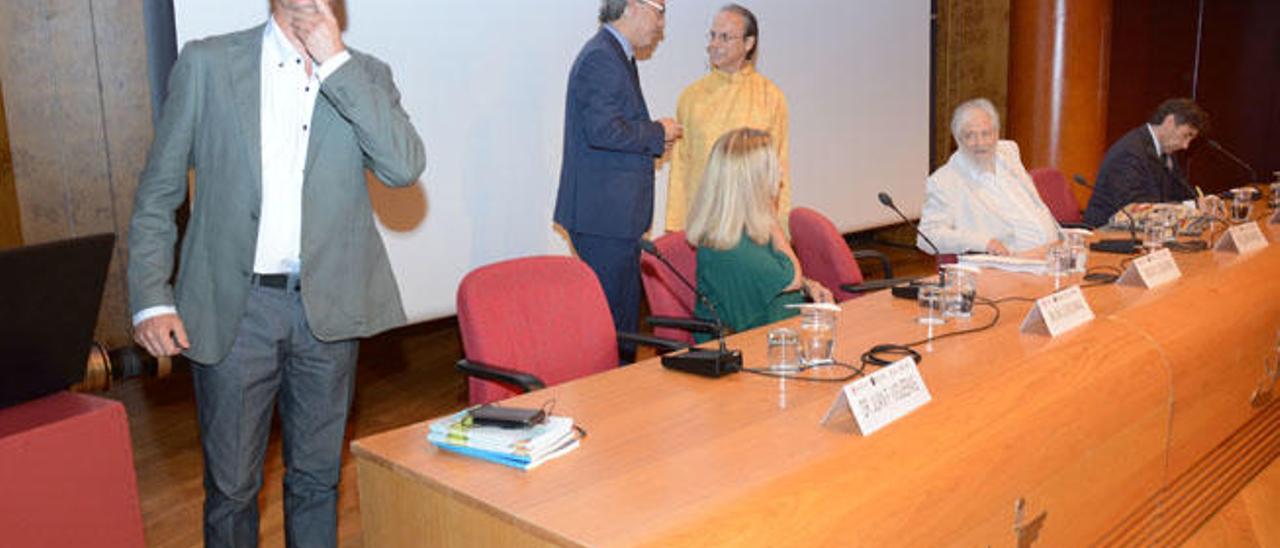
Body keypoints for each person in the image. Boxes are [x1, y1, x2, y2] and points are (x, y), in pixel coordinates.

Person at [127, 0, 426, 545]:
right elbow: (158, 194)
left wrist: (334, 61)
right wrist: (152, 296)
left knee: (317, 480)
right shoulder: (207, 64)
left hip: (327, 310)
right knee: (233, 489)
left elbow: (404, 166)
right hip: (237, 311)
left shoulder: (365, 74)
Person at [553, 0, 682, 361]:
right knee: (613, 330)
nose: (662, 24)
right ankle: (610, 405)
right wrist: (658, 132)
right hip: (604, 219)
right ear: (632, 7)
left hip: (611, 218)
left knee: (621, 326)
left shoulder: (614, 54)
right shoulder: (602, 58)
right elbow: (603, 130)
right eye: (660, 10)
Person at [685, 128, 831, 338]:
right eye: (773, 166)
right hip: (750, 351)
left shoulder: (744, 227)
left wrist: (810, 286)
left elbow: (777, 274)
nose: (780, 172)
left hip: (776, 336)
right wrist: (769, 210)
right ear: (752, 181)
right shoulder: (729, 247)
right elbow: (791, 278)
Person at [665, 3, 789, 232]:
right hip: (703, 226)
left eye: (724, 37)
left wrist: (780, 230)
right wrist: (675, 226)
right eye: (712, 35)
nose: (714, 44)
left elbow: (779, 168)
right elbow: (681, 167)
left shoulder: (770, 97)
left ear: (749, 43)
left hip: (752, 227)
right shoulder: (691, 97)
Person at [918, 98, 1060, 256]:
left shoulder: (1009, 153)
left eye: (986, 133)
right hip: (1012, 264)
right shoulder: (944, 181)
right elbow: (927, 237)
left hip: (1055, 251)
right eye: (970, 135)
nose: (980, 142)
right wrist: (984, 242)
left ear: (997, 134)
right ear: (957, 139)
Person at [1083, 98, 1208, 227]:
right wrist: (1186, 207)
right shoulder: (1130, 152)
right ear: (1170, 122)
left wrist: (1199, 202)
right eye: (1186, 135)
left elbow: (1179, 192)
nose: (1185, 145)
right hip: (1105, 233)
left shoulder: (1164, 152)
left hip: (1141, 232)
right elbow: (1134, 207)